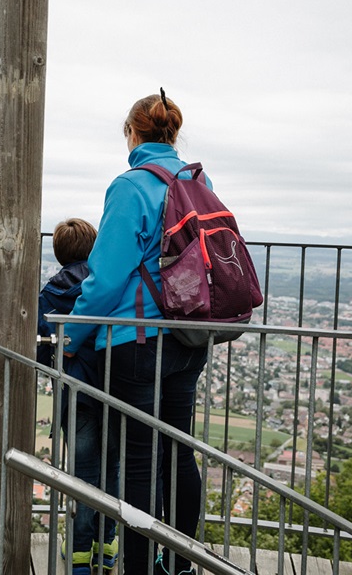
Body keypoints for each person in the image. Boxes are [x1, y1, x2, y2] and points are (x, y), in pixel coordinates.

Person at [64, 91, 209, 575]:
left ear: (132, 133)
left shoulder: (130, 186)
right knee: (179, 449)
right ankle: (183, 562)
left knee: (139, 461)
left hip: (137, 342)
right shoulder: (197, 179)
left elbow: (105, 279)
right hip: (190, 336)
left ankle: (140, 567)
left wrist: (73, 334)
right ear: (172, 133)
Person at [37, 218, 120, 575]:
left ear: (58, 254)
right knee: (113, 465)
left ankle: (81, 551)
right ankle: (108, 542)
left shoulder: (51, 293)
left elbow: (43, 348)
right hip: (116, 388)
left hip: (75, 392)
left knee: (84, 471)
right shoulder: (110, 284)